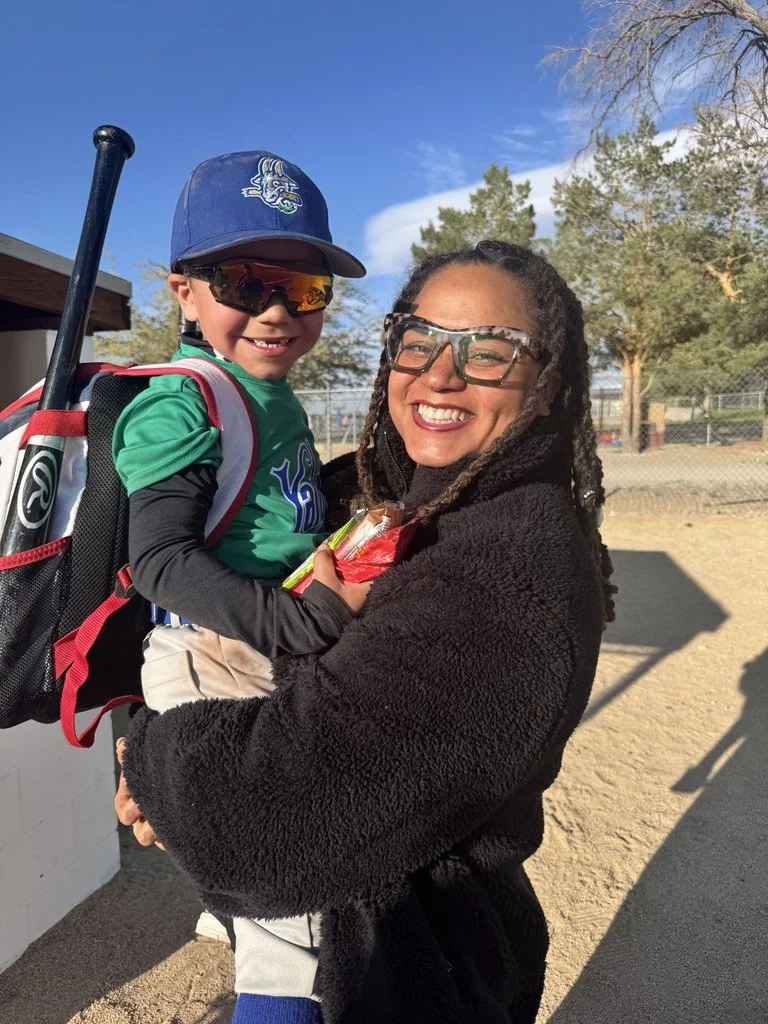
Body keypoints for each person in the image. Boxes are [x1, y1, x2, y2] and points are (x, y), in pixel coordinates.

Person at [116, 240, 616, 1024]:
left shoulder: (508, 575)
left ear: (548, 383)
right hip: (372, 944)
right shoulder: (395, 489)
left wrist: (146, 757)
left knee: (275, 965)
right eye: (418, 341)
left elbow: (259, 820)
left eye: (490, 351)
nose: (440, 374)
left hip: (406, 977)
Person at [112, 149, 370, 1017]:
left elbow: (272, 517)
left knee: (292, 887)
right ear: (183, 290)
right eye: (242, 281)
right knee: (293, 935)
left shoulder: (275, 393)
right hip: (218, 656)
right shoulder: (183, 403)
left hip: (259, 646)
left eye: (302, 291)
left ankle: (232, 896)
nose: (274, 311)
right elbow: (161, 561)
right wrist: (306, 623)